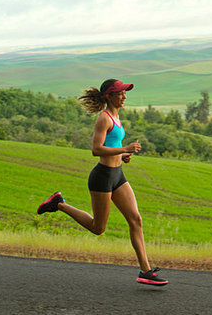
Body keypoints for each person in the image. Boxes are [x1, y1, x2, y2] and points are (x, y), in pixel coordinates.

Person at [37, 79, 168, 286]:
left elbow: (112, 143)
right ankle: (59, 204)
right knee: (98, 228)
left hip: (118, 175)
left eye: (125, 93)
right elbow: (96, 149)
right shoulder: (104, 118)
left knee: (136, 220)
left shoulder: (117, 116)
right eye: (120, 93)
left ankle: (146, 271)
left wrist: (123, 155)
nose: (124, 96)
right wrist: (124, 149)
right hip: (103, 177)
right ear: (109, 96)